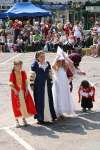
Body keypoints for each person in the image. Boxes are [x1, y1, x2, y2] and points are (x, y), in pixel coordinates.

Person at [30, 51, 57, 124]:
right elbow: (32, 75)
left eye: (44, 56)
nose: (43, 58)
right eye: (41, 56)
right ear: (37, 57)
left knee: (48, 100)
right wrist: (32, 84)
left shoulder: (47, 64)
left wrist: (51, 81)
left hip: (47, 85)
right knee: (40, 101)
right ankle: (40, 118)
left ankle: (49, 116)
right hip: (38, 86)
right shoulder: (35, 65)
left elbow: (50, 73)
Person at [9, 60, 37, 127]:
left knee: (24, 105)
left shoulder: (23, 72)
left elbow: (25, 81)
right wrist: (15, 90)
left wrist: (27, 89)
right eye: (18, 65)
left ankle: (24, 119)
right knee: (16, 106)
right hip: (16, 92)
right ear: (15, 66)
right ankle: (17, 121)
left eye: (21, 65)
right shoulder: (12, 73)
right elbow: (10, 83)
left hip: (23, 91)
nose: (20, 67)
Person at [52, 47, 75, 119]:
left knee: (64, 97)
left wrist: (64, 56)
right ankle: (59, 112)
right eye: (60, 60)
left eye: (62, 60)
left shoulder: (64, 67)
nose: (61, 61)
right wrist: (57, 57)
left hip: (64, 84)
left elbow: (71, 62)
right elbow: (52, 66)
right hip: (58, 84)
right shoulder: (56, 68)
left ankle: (62, 111)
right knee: (58, 97)